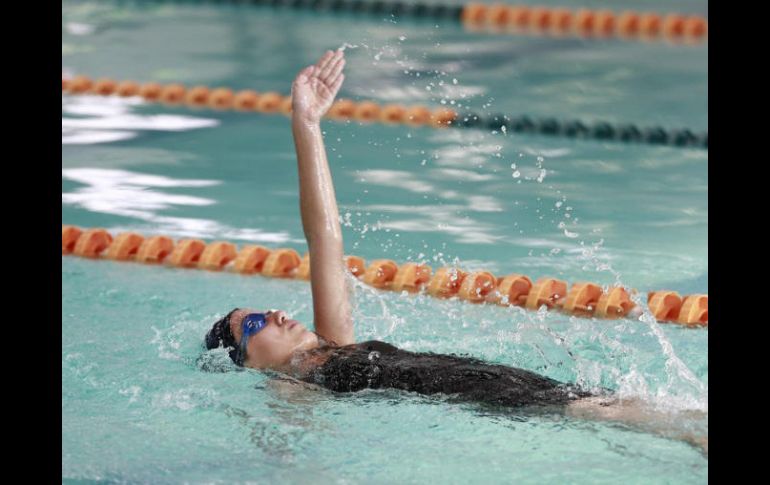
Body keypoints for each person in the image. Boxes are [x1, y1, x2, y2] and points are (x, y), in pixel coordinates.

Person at [203, 50, 707, 454]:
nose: (273, 312)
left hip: (498, 381)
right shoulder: (293, 386)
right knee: (639, 418)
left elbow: (326, 239)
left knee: (640, 409)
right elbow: (290, 447)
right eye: (253, 326)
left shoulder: (334, 343)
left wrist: (307, 123)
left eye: (262, 312)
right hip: (491, 400)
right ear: (248, 367)